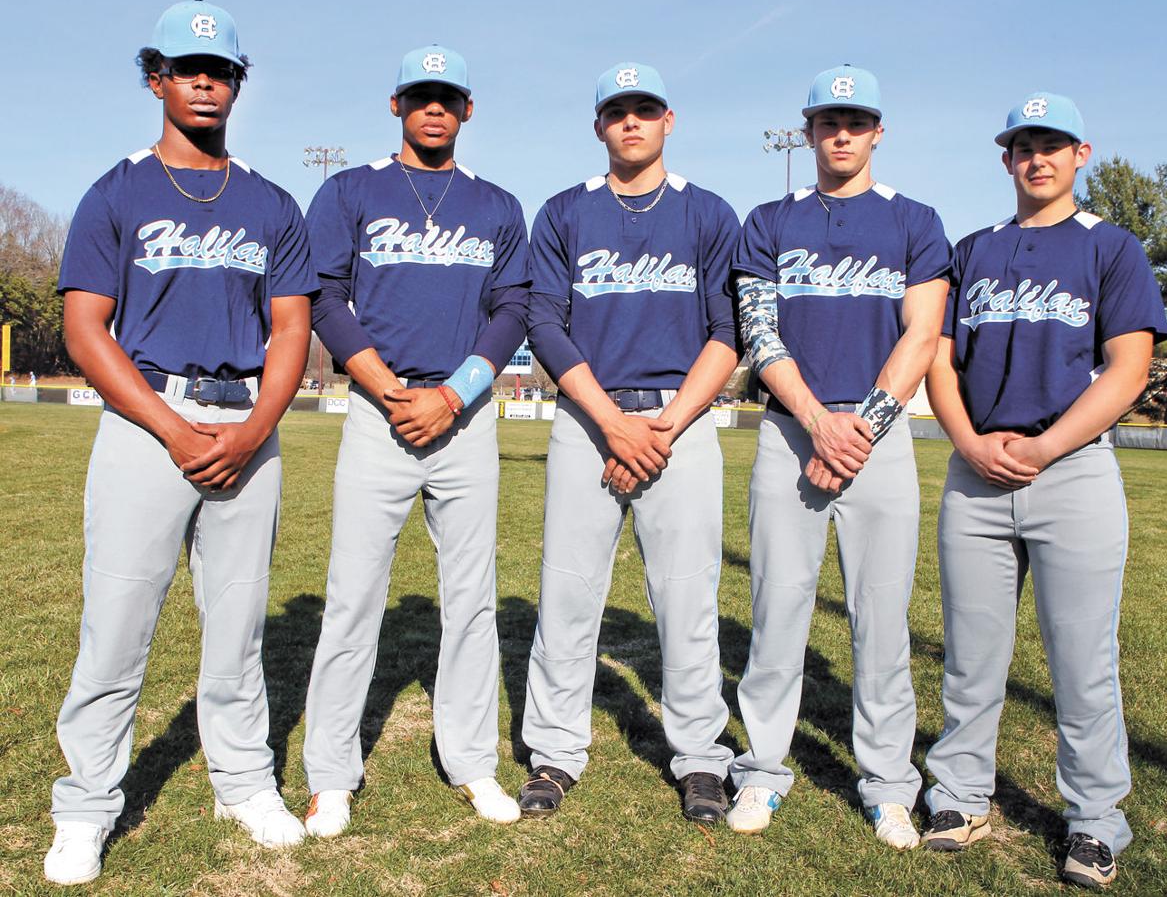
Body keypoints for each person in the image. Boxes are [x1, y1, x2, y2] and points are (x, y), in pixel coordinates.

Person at [44, 0, 317, 885]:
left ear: (239, 82)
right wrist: (170, 427)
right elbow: (87, 330)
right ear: (157, 77)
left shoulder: (272, 201)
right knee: (115, 627)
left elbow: (291, 332)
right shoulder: (117, 189)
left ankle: (242, 783)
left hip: (247, 425)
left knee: (237, 630)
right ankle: (86, 805)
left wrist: (252, 431)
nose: (205, 80)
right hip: (144, 425)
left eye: (221, 68)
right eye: (187, 66)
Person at [921, 92, 1167, 888]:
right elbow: (938, 360)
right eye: (1024, 144)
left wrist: (1048, 444)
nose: (1038, 157)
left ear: (1080, 154)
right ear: (1006, 159)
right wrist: (965, 440)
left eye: (1052, 144)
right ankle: (959, 797)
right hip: (976, 473)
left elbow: (1131, 366)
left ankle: (1096, 822)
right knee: (971, 657)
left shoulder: (1113, 246)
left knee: (1082, 660)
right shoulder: (974, 249)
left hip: (1074, 472)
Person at [302, 45, 530, 835]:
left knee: (471, 600)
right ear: (396, 104)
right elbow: (323, 295)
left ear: (467, 110)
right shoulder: (349, 188)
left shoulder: (497, 203)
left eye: (449, 97)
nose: (434, 109)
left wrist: (456, 391)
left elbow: (511, 309)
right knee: (353, 594)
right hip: (378, 410)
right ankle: (331, 774)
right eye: (420, 96)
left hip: (464, 416)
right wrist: (386, 384)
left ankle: (471, 762)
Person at [726, 65, 951, 847]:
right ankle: (760, 770)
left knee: (880, 620)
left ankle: (889, 783)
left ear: (878, 129)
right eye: (829, 120)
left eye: (856, 120)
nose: (842, 133)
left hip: (880, 443)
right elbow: (759, 333)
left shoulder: (915, 220)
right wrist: (820, 421)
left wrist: (862, 426)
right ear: (810, 127)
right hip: (791, 434)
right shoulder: (768, 220)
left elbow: (923, 335)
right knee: (777, 611)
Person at [518, 62, 739, 824]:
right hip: (588, 420)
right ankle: (553, 751)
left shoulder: (707, 212)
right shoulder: (563, 213)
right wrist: (613, 424)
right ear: (599, 125)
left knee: (687, 598)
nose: (632, 122)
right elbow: (544, 323)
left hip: (681, 422)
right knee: (569, 592)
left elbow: (727, 332)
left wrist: (666, 424)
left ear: (669, 119)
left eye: (645, 109)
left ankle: (702, 759)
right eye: (618, 111)